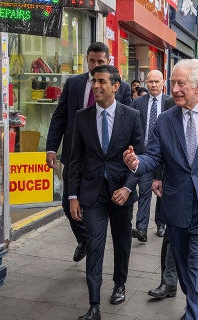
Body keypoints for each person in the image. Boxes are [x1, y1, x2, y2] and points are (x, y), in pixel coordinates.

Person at [123, 59, 198, 320]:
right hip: (176, 204)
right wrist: (136, 163)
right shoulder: (166, 119)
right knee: (182, 264)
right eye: (173, 83)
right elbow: (154, 157)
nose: (175, 89)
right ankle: (196, 301)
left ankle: (194, 315)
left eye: (181, 84)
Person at [45, 42, 132, 263]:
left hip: (105, 161)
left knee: (98, 207)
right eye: (92, 61)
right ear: (86, 60)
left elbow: (129, 122)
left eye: (100, 62)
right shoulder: (74, 84)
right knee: (68, 203)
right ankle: (85, 238)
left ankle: (94, 245)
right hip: (75, 155)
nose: (95, 65)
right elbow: (60, 116)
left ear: (108, 61)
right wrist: (51, 148)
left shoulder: (121, 87)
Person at [69, 65, 143, 320]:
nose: (96, 86)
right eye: (94, 81)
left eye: (102, 81)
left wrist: (128, 187)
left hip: (120, 193)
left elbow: (140, 159)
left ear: (116, 86)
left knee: (122, 242)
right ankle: (94, 304)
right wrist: (72, 196)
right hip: (92, 194)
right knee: (95, 245)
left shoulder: (132, 116)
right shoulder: (82, 116)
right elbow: (75, 159)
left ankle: (119, 284)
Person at [130, 70, 171, 242]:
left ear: (163, 83)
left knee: (163, 188)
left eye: (157, 81)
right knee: (145, 189)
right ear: (145, 82)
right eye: (150, 82)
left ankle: (161, 223)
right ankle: (142, 228)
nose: (154, 85)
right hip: (145, 153)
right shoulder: (138, 103)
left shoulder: (171, 102)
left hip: (166, 153)